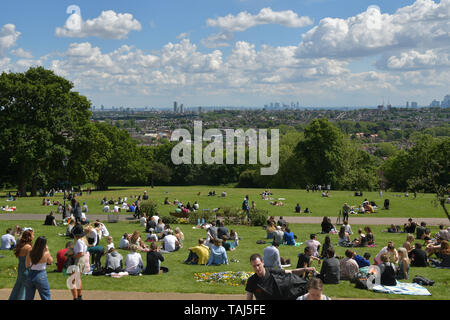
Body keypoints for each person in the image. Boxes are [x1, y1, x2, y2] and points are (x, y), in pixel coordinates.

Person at [245, 253, 315, 300]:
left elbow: (291, 272)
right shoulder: (252, 281)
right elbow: (249, 298)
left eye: (258, 265)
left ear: (262, 263)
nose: (257, 268)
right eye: (254, 266)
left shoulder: (272, 271)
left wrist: (305, 269)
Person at [25, 236, 53, 300]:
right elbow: (50, 261)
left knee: (28, 297)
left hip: (31, 275)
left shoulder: (30, 252)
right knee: (46, 296)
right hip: (41, 275)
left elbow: (27, 265)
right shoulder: (46, 253)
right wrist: (47, 250)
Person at [9, 230, 34, 300]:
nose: (33, 236)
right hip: (26, 270)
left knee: (17, 287)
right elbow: (30, 262)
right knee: (23, 290)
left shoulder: (21, 246)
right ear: (29, 237)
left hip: (20, 269)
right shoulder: (28, 247)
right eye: (32, 235)